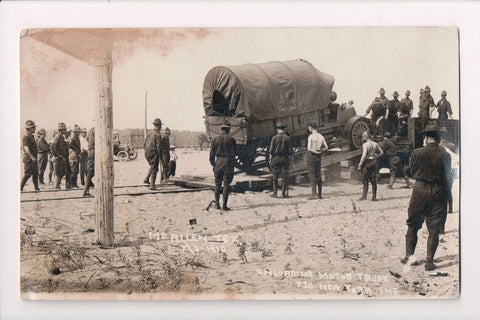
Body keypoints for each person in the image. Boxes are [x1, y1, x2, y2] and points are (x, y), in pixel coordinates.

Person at [402, 122, 452, 271]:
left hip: (420, 189)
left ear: (426, 138)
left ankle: (409, 257)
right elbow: (447, 175)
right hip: (438, 190)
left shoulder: (417, 152)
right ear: (438, 138)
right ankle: (429, 262)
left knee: (412, 225)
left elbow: (410, 172)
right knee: (434, 228)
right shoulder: (445, 154)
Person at [209, 120, 236, 210]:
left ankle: (217, 205)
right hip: (227, 163)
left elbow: (211, 156)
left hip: (218, 163)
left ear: (221, 129)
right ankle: (224, 206)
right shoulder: (231, 140)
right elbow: (233, 155)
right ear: (228, 129)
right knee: (226, 185)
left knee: (217, 185)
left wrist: (214, 165)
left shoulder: (215, 139)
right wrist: (232, 166)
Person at [269, 121, 293, 198]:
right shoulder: (288, 138)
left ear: (277, 130)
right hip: (285, 158)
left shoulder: (274, 138)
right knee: (284, 176)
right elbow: (290, 151)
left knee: (275, 176)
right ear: (284, 129)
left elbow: (271, 150)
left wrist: (270, 158)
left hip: (275, 158)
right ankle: (283, 193)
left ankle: (275, 193)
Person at [357, 131, 383, 201]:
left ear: (366, 137)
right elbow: (381, 152)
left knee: (365, 180)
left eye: (363, 136)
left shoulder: (365, 145)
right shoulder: (375, 144)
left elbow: (364, 155)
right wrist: (376, 156)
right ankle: (374, 197)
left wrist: (360, 164)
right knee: (373, 180)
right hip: (373, 162)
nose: (362, 138)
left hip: (367, 162)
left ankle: (364, 196)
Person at [306, 122, 328, 199]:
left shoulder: (311, 136)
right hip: (318, 157)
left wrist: (315, 151)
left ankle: (313, 194)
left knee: (312, 175)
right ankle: (320, 194)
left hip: (311, 156)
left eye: (309, 127)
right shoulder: (321, 136)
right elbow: (326, 147)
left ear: (311, 127)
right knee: (318, 175)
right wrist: (320, 151)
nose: (308, 129)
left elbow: (309, 149)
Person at [50, 122, 72, 190]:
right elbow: (52, 147)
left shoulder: (62, 137)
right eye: (64, 129)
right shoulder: (57, 137)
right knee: (58, 174)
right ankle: (56, 187)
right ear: (60, 130)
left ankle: (68, 187)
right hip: (59, 158)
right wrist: (58, 155)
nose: (65, 130)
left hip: (64, 158)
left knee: (68, 172)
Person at [20, 120, 40, 192]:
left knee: (35, 174)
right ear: (29, 128)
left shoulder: (31, 136)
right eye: (33, 128)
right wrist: (32, 157)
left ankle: (37, 188)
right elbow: (26, 148)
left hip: (33, 158)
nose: (34, 129)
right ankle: (20, 188)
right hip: (29, 159)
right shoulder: (26, 137)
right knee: (27, 174)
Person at [143, 118, 163, 190]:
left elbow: (144, 143)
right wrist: (160, 156)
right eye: (160, 126)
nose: (161, 127)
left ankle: (146, 179)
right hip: (153, 152)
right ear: (158, 126)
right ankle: (152, 185)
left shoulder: (150, 133)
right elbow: (159, 147)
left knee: (152, 166)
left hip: (147, 152)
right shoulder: (158, 135)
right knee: (155, 168)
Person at [83, 127, 95, 197]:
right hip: (94, 151)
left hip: (91, 151)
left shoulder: (91, 130)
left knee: (91, 171)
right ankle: (86, 190)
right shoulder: (96, 129)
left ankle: (87, 187)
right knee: (91, 171)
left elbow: (88, 139)